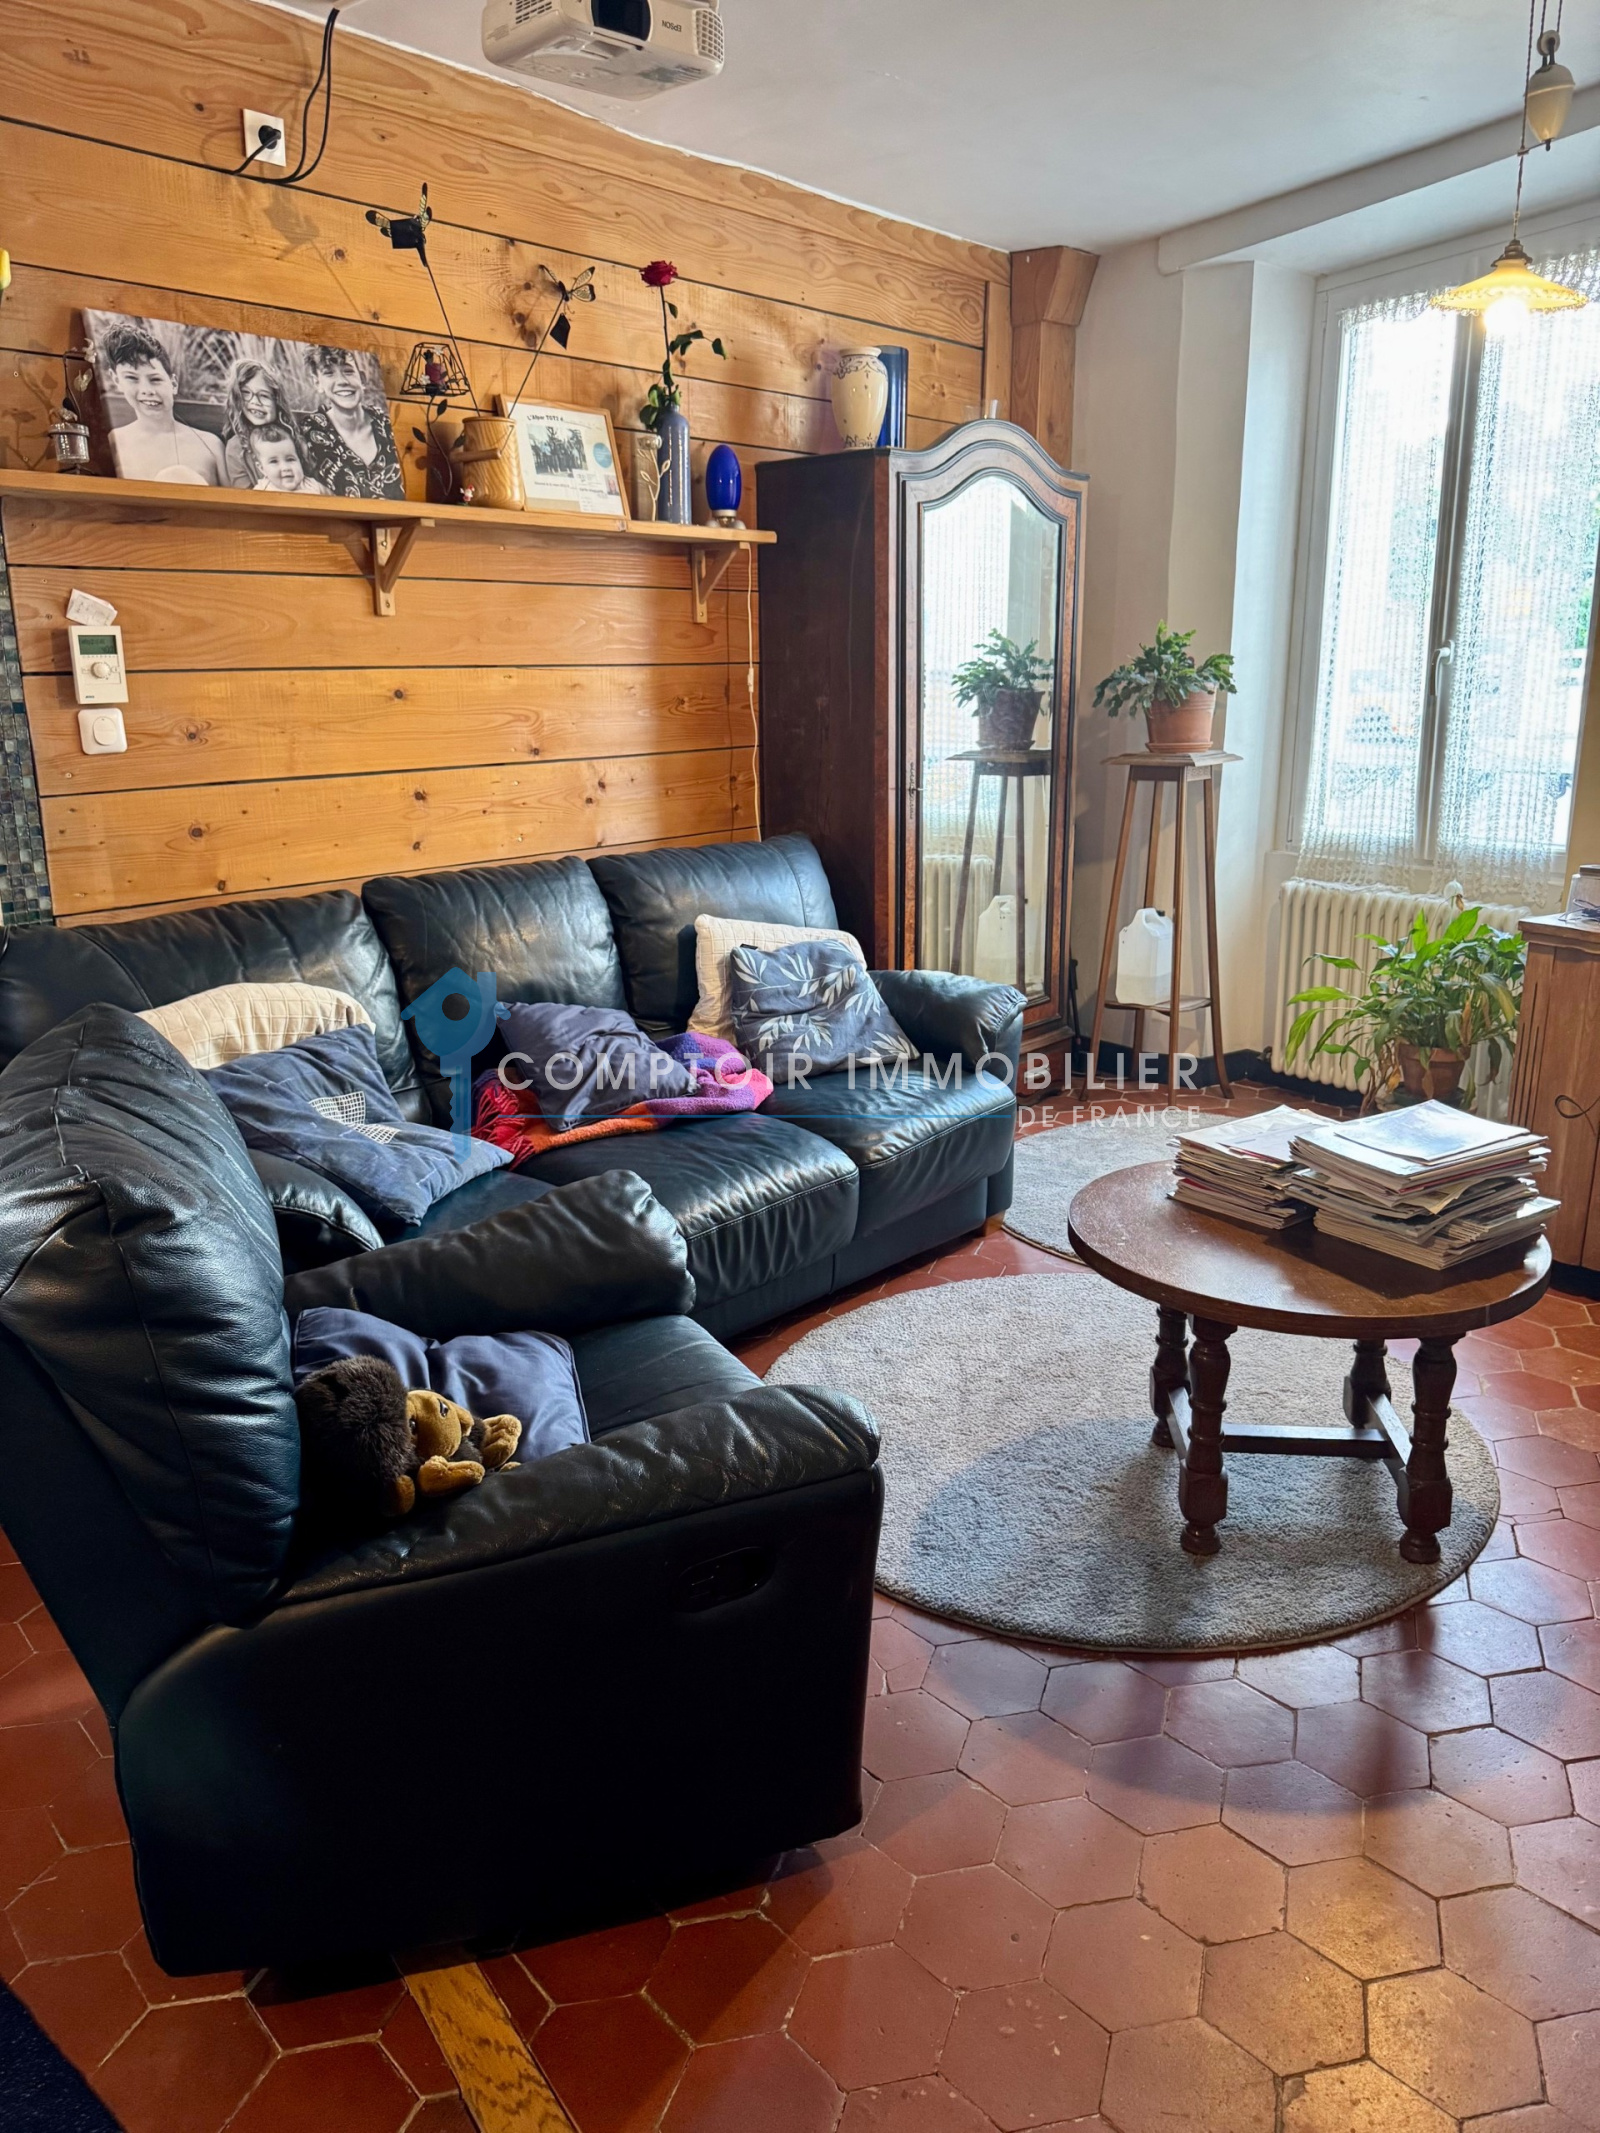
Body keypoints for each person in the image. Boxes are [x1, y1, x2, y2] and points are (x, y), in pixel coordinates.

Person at [99, 324, 226, 485]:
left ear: (173, 384)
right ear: (117, 380)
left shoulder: (210, 445)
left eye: (155, 379)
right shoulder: (113, 443)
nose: (147, 390)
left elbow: (234, 500)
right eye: (132, 378)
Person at [299, 344, 403, 500]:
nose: (342, 381)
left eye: (348, 371)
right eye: (329, 373)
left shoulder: (387, 425)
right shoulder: (312, 431)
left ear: (362, 379)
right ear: (317, 383)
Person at [223, 359, 299, 488]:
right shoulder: (236, 448)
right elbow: (243, 493)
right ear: (237, 399)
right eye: (246, 393)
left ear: (277, 401)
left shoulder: (294, 439)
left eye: (264, 396)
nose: (255, 402)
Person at [247, 424, 327, 494]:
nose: (285, 467)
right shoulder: (261, 491)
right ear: (262, 469)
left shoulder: (313, 486)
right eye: (274, 461)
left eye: (290, 459)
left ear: (299, 459)